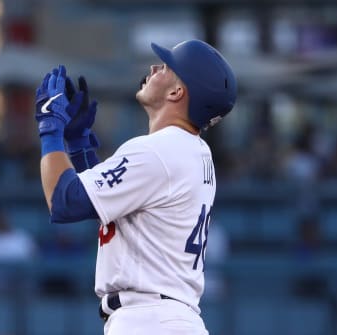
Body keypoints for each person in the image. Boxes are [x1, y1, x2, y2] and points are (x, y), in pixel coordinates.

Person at [34, 40, 236, 334]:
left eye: (166, 67)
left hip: (148, 319)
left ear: (177, 91)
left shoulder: (159, 150)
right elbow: (109, 207)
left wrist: (50, 127)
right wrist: (78, 148)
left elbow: (64, 202)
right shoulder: (192, 151)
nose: (153, 68)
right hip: (170, 316)